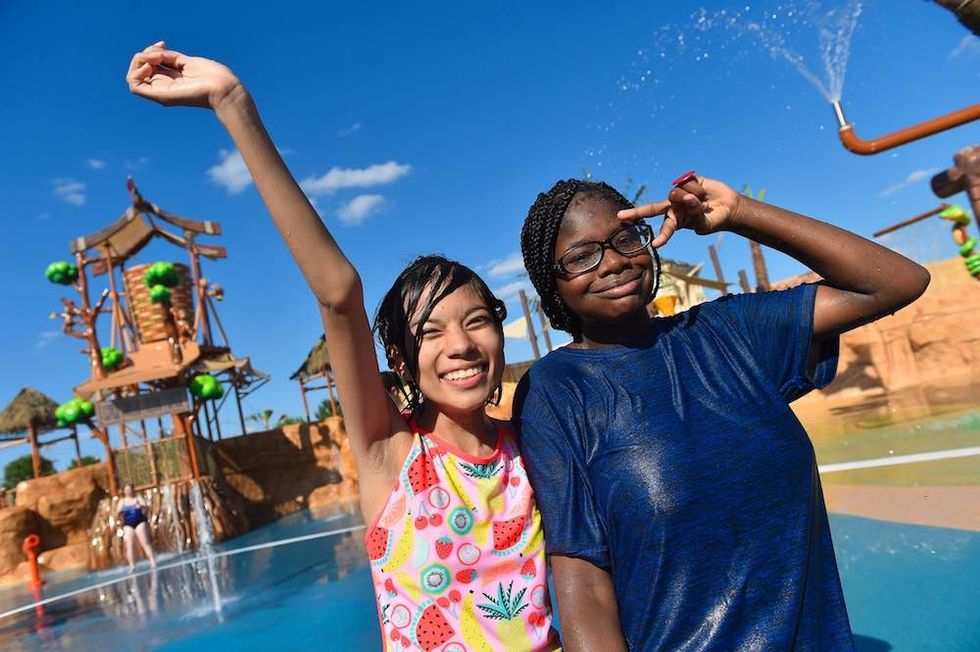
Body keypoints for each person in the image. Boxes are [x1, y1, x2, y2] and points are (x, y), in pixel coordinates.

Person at [127, 42, 559, 651]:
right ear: (403, 362)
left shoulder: (535, 447)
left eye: (475, 321)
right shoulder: (392, 454)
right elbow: (338, 294)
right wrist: (231, 103)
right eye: (430, 332)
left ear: (500, 327)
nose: (459, 345)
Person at [514, 175, 931, 651]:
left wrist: (740, 214)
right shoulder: (556, 390)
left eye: (625, 238)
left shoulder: (730, 333)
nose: (613, 262)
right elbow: (583, 577)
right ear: (553, 285)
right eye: (582, 256)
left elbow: (896, 282)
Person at [116, 483, 156, 572]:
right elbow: (117, 513)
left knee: (145, 542)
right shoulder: (122, 501)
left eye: (129, 489)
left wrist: (142, 507)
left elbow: (145, 507)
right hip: (128, 524)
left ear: (132, 490)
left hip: (140, 522)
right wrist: (120, 516)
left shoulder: (138, 498)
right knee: (129, 545)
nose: (128, 491)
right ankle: (132, 565)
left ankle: (152, 561)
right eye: (126, 490)